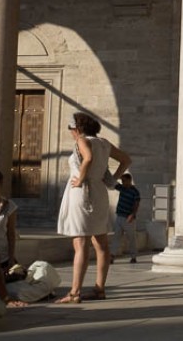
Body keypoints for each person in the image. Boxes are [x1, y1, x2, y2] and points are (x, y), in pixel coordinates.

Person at [55, 111, 131, 303]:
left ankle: (74, 292)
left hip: (83, 193)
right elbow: (126, 160)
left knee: (80, 243)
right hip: (99, 192)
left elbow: (88, 158)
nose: (71, 132)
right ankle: (100, 288)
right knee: (101, 243)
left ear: (78, 128)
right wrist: (112, 179)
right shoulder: (104, 143)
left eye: (71, 129)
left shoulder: (82, 140)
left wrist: (80, 179)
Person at [112, 172, 141, 263]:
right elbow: (112, 182)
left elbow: (136, 204)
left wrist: (132, 215)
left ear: (129, 181)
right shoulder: (122, 188)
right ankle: (112, 256)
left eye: (124, 181)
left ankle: (133, 256)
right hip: (119, 216)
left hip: (128, 218)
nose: (123, 182)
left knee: (131, 238)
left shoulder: (135, 192)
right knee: (116, 237)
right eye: (122, 181)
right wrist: (118, 175)